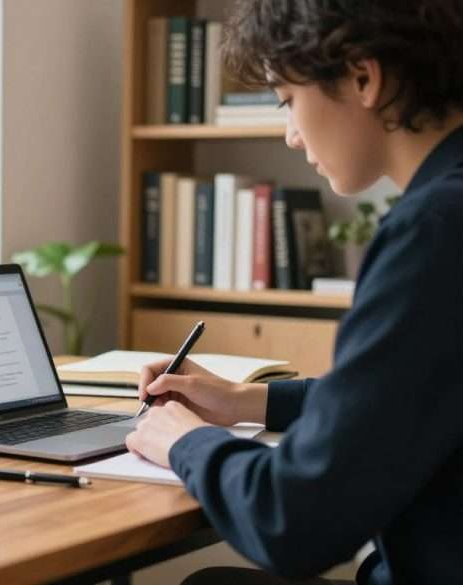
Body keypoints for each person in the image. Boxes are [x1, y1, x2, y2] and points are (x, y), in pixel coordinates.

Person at [123, 1, 463, 584]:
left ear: (363, 76)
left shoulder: (434, 230)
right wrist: (247, 401)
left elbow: (294, 522)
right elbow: (416, 390)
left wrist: (189, 441)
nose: (289, 133)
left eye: (287, 101)